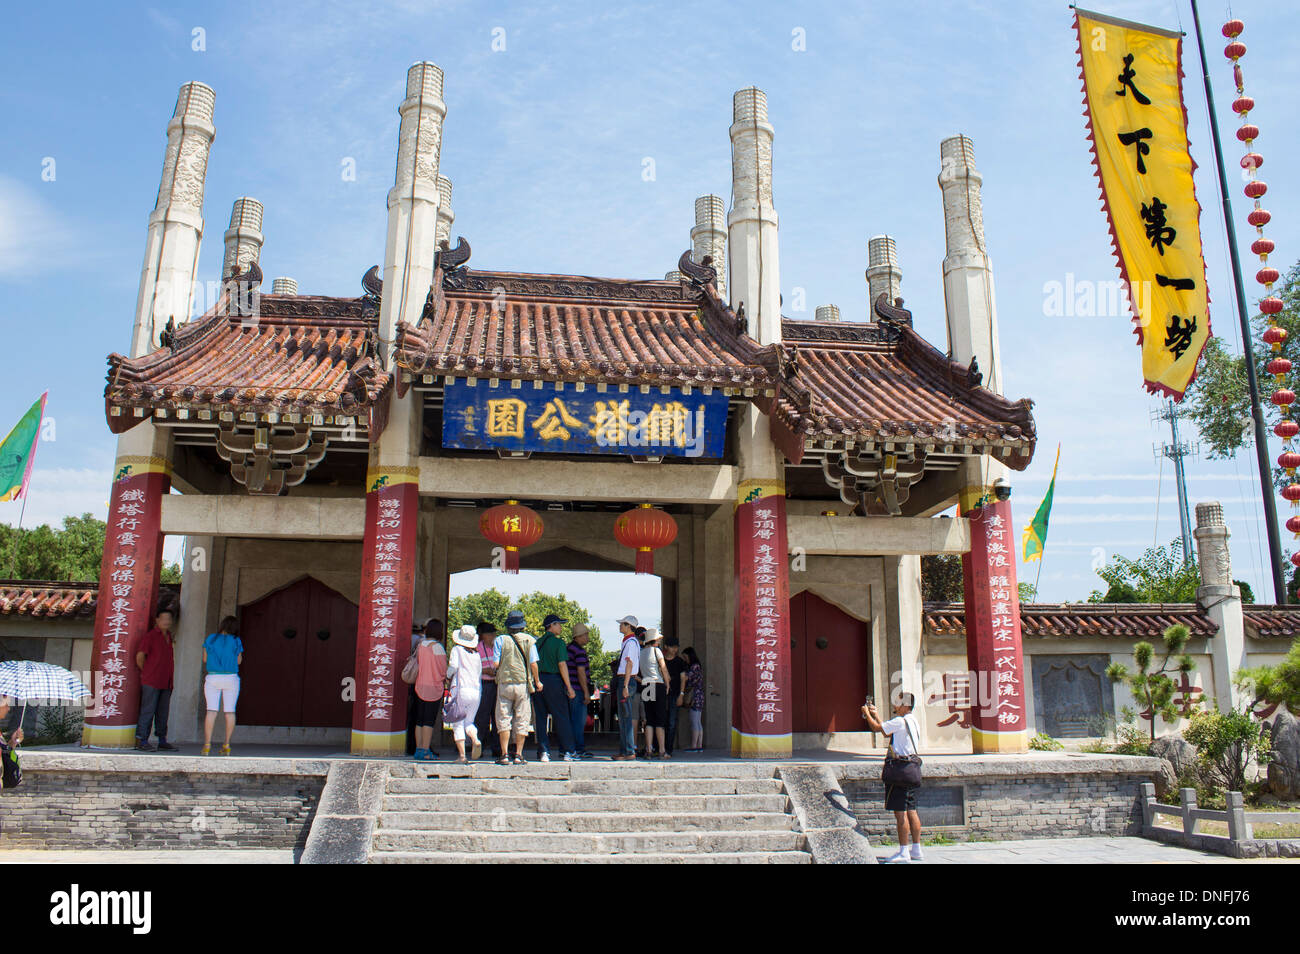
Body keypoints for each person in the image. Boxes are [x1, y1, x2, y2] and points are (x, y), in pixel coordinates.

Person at [862, 692, 923, 863]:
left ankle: (903, 851)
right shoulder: (912, 721)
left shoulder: (899, 721)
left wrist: (866, 714)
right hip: (912, 770)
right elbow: (886, 730)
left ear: (905, 705)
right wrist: (876, 715)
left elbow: (877, 729)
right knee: (912, 809)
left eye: (898, 703)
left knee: (900, 812)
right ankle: (916, 849)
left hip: (900, 772)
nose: (895, 706)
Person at [495, 609, 540, 766]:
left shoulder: (500, 640)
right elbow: (533, 663)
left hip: (505, 683)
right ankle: (519, 754)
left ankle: (504, 754)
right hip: (522, 683)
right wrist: (537, 681)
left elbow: (495, 663)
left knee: (503, 719)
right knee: (522, 719)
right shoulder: (530, 641)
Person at [533, 613, 579, 762]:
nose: (561, 627)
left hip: (538, 680)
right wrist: (569, 687)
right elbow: (562, 665)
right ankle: (568, 751)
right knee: (561, 717)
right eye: (559, 624)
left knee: (540, 718)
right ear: (551, 625)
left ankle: (543, 751)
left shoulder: (537, 643)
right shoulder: (559, 643)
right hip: (554, 680)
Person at [134, 607, 178, 752]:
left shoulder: (169, 636)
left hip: (166, 681)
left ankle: (162, 740)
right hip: (151, 680)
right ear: (157, 620)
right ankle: (142, 740)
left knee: (163, 712)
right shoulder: (151, 636)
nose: (167, 621)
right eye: (164, 619)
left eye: (169, 619)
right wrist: (146, 671)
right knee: (148, 710)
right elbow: (140, 656)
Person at [201, 616, 243, 756]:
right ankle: (226, 745)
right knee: (229, 712)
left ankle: (207, 745)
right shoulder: (236, 640)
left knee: (211, 711)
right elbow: (238, 661)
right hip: (231, 677)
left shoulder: (211, 639)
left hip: (213, 676)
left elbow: (205, 659)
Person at [444, 625, 483, 763]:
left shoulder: (457, 650)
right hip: (476, 692)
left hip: (461, 690)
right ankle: (475, 739)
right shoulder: (477, 655)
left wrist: (447, 676)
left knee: (458, 724)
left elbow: (453, 667)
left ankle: (462, 756)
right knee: (469, 722)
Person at [412, 618, 448, 761]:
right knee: (429, 720)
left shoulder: (421, 645)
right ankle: (426, 750)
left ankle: (418, 749)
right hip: (433, 688)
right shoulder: (438, 647)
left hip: (420, 686)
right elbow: (442, 670)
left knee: (419, 720)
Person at [639, 628, 671, 758]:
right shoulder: (656, 651)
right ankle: (662, 750)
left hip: (646, 684)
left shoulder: (641, 653)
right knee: (660, 719)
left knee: (649, 719)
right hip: (657, 684)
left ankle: (648, 749)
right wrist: (667, 683)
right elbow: (663, 668)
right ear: (654, 640)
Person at [613, 615, 641, 761]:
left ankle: (628, 750)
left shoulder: (630, 643)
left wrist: (625, 685)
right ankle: (625, 750)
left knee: (625, 717)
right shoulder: (630, 642)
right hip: (626, 679)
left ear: (628, 626)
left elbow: (629, 664)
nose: (620, 626)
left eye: (622, 624)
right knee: (624, 717)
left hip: (626, 680)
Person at [474, 620, 503, 759]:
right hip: (484, 684)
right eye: (490, 634)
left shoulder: (498, 647)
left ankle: (497, 748)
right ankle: (478, 746)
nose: (493, 636)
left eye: (494, 633)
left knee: (497, 717)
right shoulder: (476, 648)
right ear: (482, 635)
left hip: (497, 684)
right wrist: (486, 670)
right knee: (481, 718)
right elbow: (472, 669)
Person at [567, 622, 594, 759]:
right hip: (577, 689)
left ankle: (570, 747)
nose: (588, 637)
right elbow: (581, 672)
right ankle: (579, 748)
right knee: (579, 721)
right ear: (580, 636)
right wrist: (586, 692)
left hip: (570, 689)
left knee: (572, 720)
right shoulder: (579, 651)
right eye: (586, 634)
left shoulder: (569, 648)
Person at [662, 634, 688, 756]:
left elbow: (684, 678)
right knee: (661, 722)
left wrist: (681, 694)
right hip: (661, 694)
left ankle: (669, 749)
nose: (674, 649)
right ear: (666, 646)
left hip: (675, 694)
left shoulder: (680, 662)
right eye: (672, 647)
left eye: (676, 647)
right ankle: (659, 748)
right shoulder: (661, 660)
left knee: (672, 723)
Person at [682, 647, 704, 752]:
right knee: (698, 722)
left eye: (685, 657)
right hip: (699, 695)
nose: (685, 659)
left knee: (694, 721)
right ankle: (699, 745)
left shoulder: (694, 667)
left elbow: (686, 678)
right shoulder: (698, 666)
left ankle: (694, 746)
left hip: (694, 696)